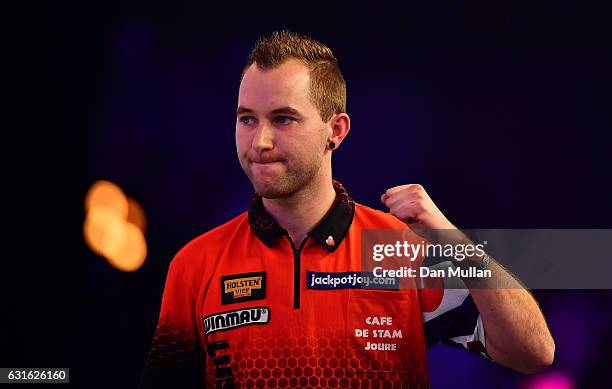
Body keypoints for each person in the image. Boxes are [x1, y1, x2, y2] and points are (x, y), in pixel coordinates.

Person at [138, 30, 554, 388]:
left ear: (335, 131)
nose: (259, 142)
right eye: (247, 119)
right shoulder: (195, 264)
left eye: (283, 119)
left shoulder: (397, 249)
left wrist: (451, 240)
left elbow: (533, 353)